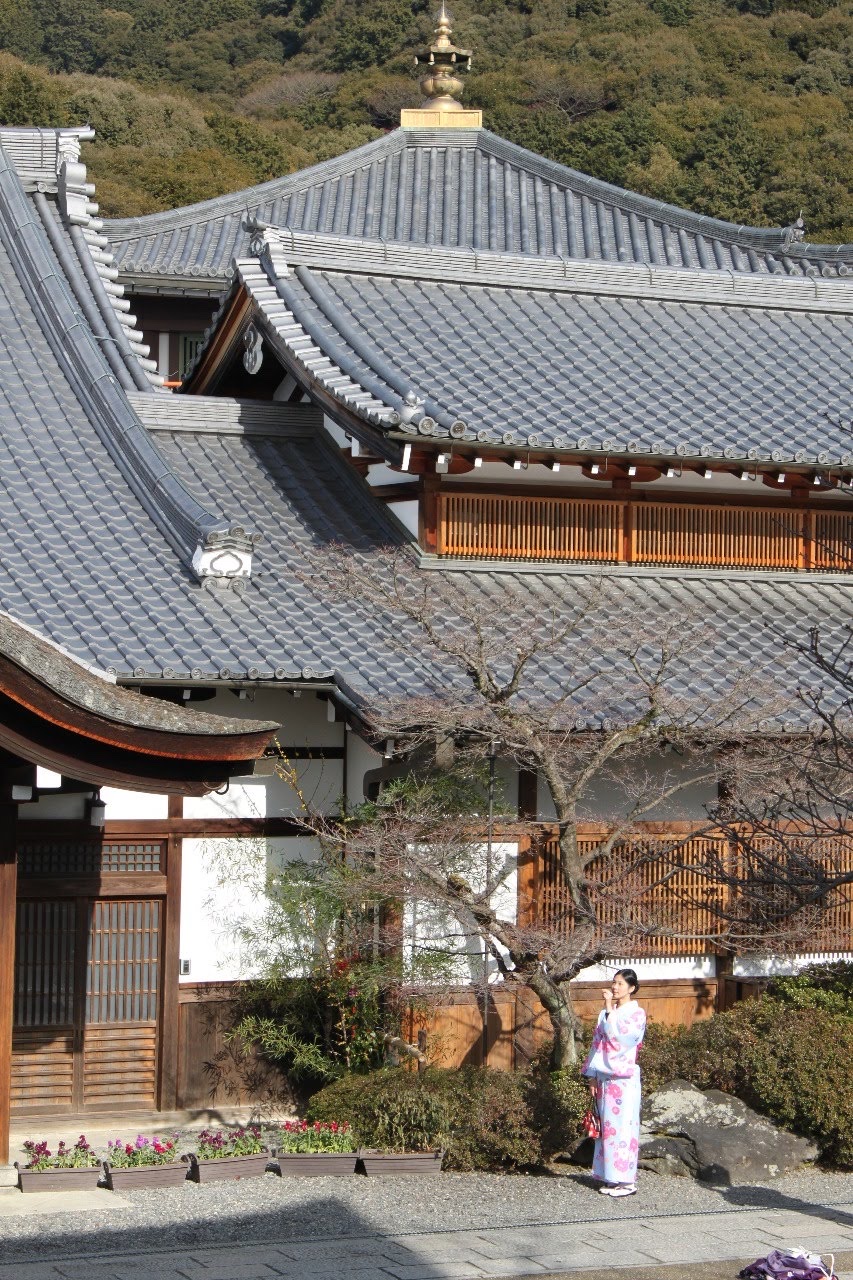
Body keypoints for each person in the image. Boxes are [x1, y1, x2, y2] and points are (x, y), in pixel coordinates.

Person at [581, 967, 646, 1198]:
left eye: (620, 984)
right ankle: (610, 1176)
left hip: (624, 1079)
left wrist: (610, 1010)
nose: (615, 987)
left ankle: (627, 1181)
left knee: (623, 1129)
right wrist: (592, 1075)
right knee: (607, 1128)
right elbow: (598, 1044)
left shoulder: (636, 1014)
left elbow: (620, 1039)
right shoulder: (605, 1013)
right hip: (605, 1078)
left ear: (632, 988)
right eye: (614, 982)